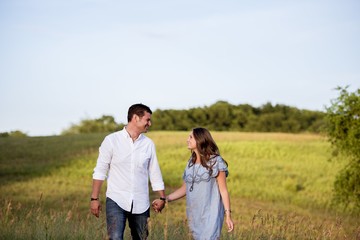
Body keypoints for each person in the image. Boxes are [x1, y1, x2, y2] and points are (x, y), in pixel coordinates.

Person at [90, 103, 166, 240]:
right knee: (115, 237)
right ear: (136, 118)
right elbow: (100, 171)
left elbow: (155, 172)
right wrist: (94, 199)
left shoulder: (148, 144)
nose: (150, 123)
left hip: (141, 203)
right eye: (147, 120)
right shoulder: (111, 140)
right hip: (116, 199)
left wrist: (162, 198)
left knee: (141, 238)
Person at [153, 127, 234, 240]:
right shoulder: (190, 163)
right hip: (194, 214)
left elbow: (223, 190)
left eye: (191, 137)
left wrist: (228, 215)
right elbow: (185, 188)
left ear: (200, 139)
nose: (187, 139)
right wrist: (164, 199)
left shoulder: (216, 162)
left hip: (211, 214)